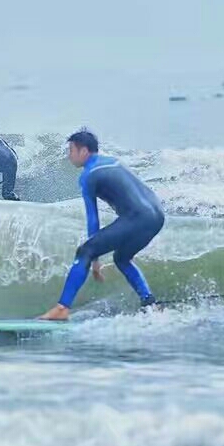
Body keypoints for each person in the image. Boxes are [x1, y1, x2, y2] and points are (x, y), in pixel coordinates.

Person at [39, 129, 164, 321]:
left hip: (137, 217)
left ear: (84, 151)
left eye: (71, 150)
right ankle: (150, 303)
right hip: (156, 216)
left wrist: (94, 257)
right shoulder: (114, 162)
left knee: (84, 252)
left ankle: (62, 308)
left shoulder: (89, 175)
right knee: (122, 258)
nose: (69, 155)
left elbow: (93, 218)